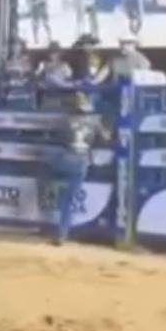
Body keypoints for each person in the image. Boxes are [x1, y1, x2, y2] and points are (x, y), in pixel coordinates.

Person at [42, 93, 108, 245]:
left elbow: (58, 138)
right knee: (69, 200)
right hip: (81, 161)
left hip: (65, 159)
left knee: (46, 167)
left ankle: (50, 191)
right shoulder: (94, 120)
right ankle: (62, 234)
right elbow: (106, 138)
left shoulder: (66, 120)